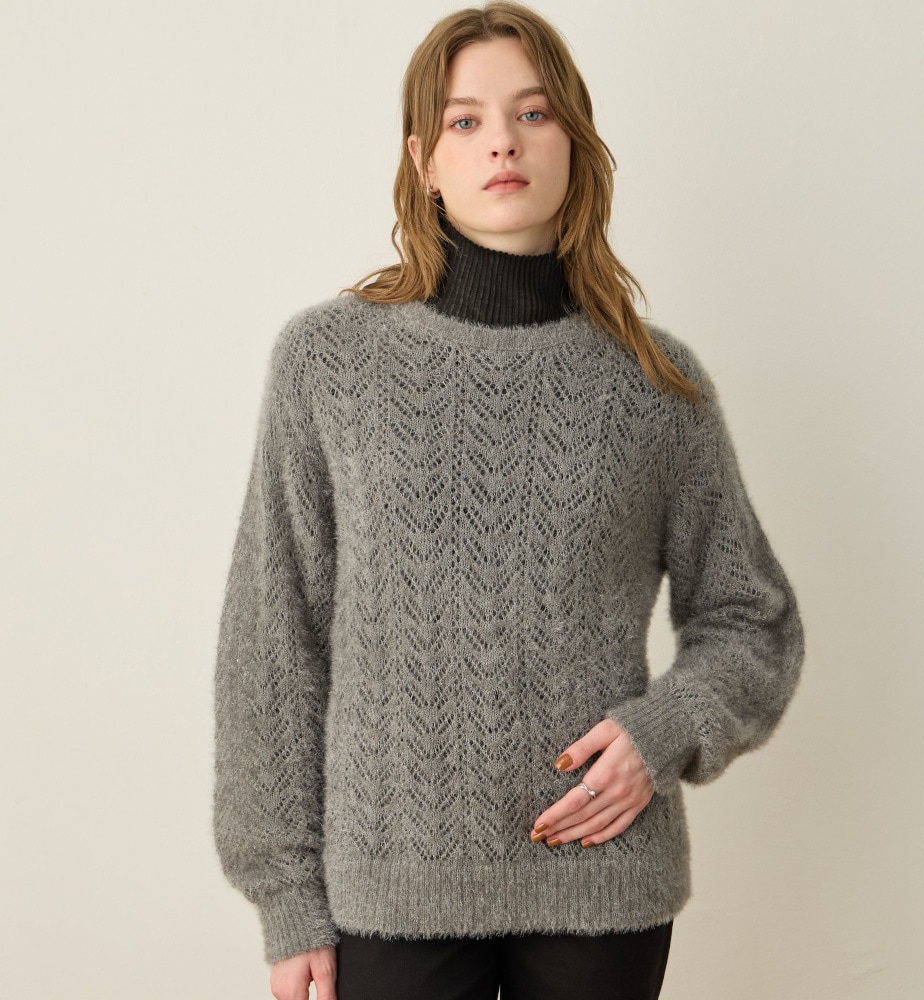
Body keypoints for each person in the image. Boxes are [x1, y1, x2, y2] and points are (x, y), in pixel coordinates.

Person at [213, 3, 805, 999]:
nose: (502, 143)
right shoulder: (329, 364)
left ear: (573, 141)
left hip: (603, 884)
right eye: (465, 120)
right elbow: (273, 640)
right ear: (423, 161)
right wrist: (286, 897)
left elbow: (753, 620)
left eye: (533, 114)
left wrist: (662, 731)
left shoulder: (655, 387)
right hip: (389, 893)